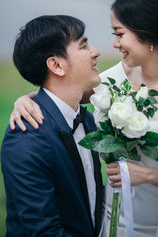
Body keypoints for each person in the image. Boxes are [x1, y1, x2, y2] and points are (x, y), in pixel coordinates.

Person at [8, 0, 158, 237]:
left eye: (120, 34)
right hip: (113, 224)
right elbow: (62, 93)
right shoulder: (114, 80)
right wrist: (24, 99)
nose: (113, 44)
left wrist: (150, 175)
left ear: (148, 32)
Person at [1, 15, 103, 236]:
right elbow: (42, 231)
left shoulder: (86, 117)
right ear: (56, 65)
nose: (96, 51)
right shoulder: (26, 138)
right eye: (84, 45)